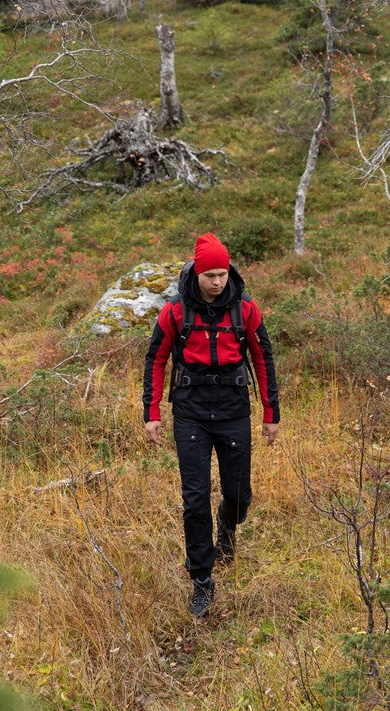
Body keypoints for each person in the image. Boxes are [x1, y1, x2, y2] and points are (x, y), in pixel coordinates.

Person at [143, 232, 280, 618]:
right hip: (191, 412)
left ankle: (228, 524)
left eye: (223, 274)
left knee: (240, 495)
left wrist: (271, 413)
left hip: (234, 410)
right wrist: (151, 412)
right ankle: (202, 579)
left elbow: (263, 358)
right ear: (197, 273)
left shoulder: (246, 308)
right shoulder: (174, 311)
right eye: (210, 275)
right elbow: (156, 359)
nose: (218, 282)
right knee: (195, 498)